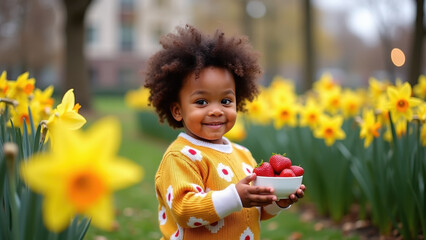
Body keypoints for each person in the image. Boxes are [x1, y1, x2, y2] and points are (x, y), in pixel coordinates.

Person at [144, 24, 306, 240]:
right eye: (201, 102)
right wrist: (235, 197)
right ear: (177, 110)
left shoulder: (242, 154)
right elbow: (184, 211)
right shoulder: (181, 157)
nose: (216, 111)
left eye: (226, 101)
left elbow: (253, 212)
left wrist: (277, 201)